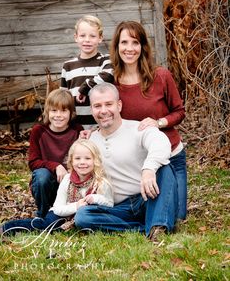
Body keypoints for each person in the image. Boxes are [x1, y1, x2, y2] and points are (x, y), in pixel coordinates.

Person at [74, 83, 178, 242]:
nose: (103, 111)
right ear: (91, 110)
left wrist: (148, 169)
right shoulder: (90, 140)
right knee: (83, 217)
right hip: (117, 207)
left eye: (109, 104)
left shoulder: (138, 128)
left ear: (119, 105)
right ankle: (143, 228)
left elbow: (161, 143)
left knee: (165, 168)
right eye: (97, 106)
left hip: (148, 198)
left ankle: (157, 227)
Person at [109, 21, 187, 220]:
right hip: (138, 161)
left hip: (171, 156)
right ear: (117, 47)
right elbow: (103, 112)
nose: (129, 48)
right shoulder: (112, 82)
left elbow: (179, 111)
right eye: (124, 42)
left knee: (178, 216)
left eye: (135, 42)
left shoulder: (160, 75)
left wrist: (158, 122)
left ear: (142, 46)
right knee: (146, 213)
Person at [0, 139, 113, 236]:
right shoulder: (67, 180)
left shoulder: (101, 182)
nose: (82, 162)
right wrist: (77, 206)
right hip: (61, 214)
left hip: (85, 218)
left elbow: (109, 203)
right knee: (47, 225)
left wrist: (96, 198)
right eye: (77, 158)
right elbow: (57, 209)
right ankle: (8, 228)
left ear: (95, 160)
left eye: (87, 158)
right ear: (71, 161)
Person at [28, 88, 83, 218]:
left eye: (63, 110)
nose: (58, 115)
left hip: (70, 185)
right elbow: (33, 162)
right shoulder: (38, 131)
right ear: (47, 112)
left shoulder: (77, 131)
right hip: (48, 185)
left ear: (71, 113)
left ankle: (66, 212)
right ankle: (43, 214)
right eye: (54, 110)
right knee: (42, 176)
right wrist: (56, 166)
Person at [61, 15, 114, 129]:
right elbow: (63, 98)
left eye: (92, 36)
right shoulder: (68, 66)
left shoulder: (105, 61)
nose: (87, 40)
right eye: (82, 35)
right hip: (76, 127)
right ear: (76, 37)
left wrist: (85, 88)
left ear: (100, 38)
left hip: (101, 126)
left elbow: (108, 75)